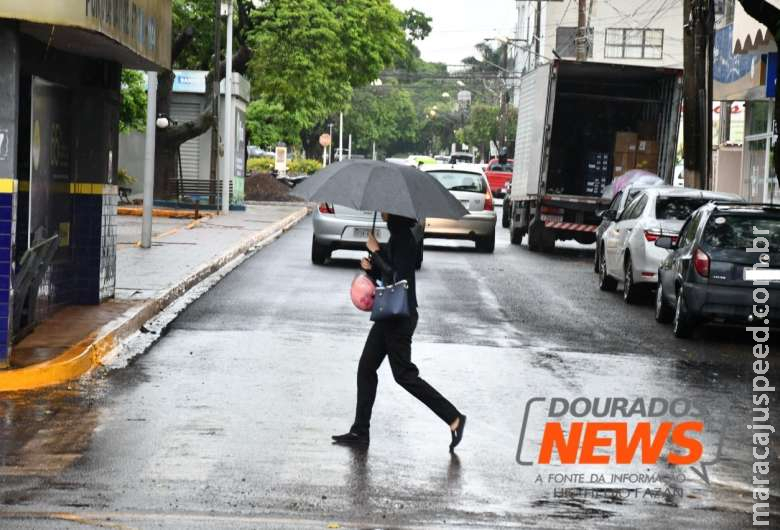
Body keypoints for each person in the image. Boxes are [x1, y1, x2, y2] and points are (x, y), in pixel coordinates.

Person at [332, 213, 466, 451]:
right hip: (389, 315)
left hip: (399, 317)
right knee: (366, 368)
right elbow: (388, 274)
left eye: (386, 208)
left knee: (404, 375)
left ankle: (453, 417)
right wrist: (371, 267)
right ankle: (360, 430)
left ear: (395, 212)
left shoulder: (404, 240)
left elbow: (399, 278)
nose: (382, 212)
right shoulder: (398, 237)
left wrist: (376, 252)